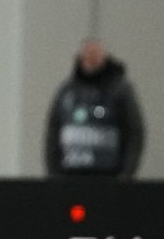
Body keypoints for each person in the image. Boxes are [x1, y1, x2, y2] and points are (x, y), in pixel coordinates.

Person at [45, 39, 145, 178]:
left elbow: (134, 132)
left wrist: (126, 174)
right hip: (70, 176)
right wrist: (53, 173)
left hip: (109, 177)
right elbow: (53, 131)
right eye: (87, 55)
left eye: (95, 55)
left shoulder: (120, 90)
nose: (90, 59)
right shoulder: (67, 91)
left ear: (104, 58)